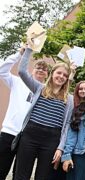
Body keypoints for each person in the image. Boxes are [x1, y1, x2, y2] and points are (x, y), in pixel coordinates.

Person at [14, 43, 74, 180]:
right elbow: (22, 72)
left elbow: (67, 126)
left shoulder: (68, 99)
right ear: (52, 74)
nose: (61, 76)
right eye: (59, 73)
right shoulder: (39, 88)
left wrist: (60, 147)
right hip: (30, 134)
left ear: (67, 79)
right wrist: (29, 50)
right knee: (21, 175)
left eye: (65, 75)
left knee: (43, 176)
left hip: (52, 139)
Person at [0, 47, 48, 179]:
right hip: (9, 133)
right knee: (1, 169)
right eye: (38, 67)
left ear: (47, 75)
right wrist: (18, 55)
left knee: (21, 174)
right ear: (32, 70)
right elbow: (2, 71)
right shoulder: (17, 81)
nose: (40, 70)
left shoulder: (46, 92)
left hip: (28, 138)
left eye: (44, 69)